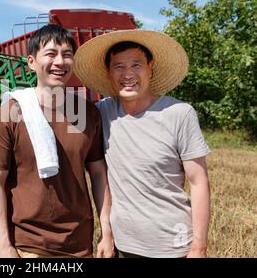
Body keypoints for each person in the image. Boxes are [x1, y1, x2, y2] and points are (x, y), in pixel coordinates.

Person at [0, 24, 115, 258]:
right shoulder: (9, 114)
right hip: (27, 246)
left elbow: (99, 174)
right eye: (50, 54)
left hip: (80, 244)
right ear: (31, 62)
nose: (60, 61)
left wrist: (107, 232)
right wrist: (4, 246)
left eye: (67, 54)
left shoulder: (89, 113)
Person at [74, 30, 211, 258]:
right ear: (108, 73)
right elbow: (58, 112)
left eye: (136, 65)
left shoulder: (179, 113)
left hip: (172, 246)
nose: (128, 74)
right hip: (123, 245)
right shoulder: (102, 113)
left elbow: (199, 182)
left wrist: (199, 247)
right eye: (118, 66)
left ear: (150, 67)